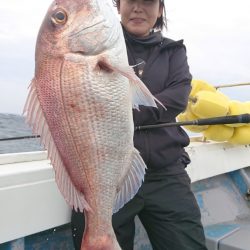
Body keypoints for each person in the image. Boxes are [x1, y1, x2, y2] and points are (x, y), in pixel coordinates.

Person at [71, 0, 208, 249]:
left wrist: (119, 111)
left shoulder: (173, 51)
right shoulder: (99, 45)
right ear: (118, 6)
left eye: (147, 2)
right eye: (130, 1)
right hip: (107, 173)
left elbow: (177, 97)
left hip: (166, 171)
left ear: (160, 10)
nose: (138, 8)